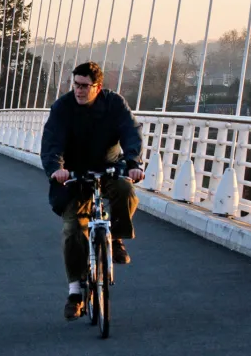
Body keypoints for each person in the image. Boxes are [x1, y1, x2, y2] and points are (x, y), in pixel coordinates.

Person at [40, 61, 145, 321]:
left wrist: (133, 163)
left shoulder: (114, 104)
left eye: (85, 86)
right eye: (75, 84)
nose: (78, 90)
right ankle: (75, 292)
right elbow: (52, 141)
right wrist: (56, 168)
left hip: (109, 167)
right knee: (73, 229)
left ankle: (117, 238)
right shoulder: (62, 108)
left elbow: (132, 132)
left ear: (98, 87)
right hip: (74, 174)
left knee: (126, 190)